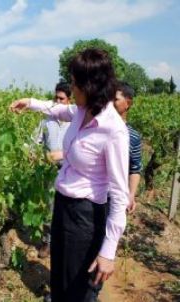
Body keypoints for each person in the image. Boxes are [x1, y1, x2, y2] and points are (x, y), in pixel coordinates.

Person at [10, 48, 129, 302]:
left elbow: (119, 195)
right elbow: (57, 110)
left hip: (85, 218)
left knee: (78, 289)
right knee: (59, 281)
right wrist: (29, 103)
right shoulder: (80, 111)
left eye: (75, 83)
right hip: (63, 209)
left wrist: (108, 252)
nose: (71, 88)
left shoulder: (113, 130)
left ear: (91, 85)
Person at [30, 82, 72, 258]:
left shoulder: (75, 122)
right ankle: (48, 241)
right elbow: (34, 140)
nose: (57, 100)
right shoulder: (46, 120)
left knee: (69, 208)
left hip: (70, 170)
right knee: (49, 207)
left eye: (61, 98)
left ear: (69, 101)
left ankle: (65, 242)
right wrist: (31, 153)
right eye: (55, 97)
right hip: (49, 170)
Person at [114, 82, 142, 213]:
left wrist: (131, 195)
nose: (110, 103)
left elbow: (135, 169)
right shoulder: (97, 128)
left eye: (115, 99)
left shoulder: (133, 136)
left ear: (128, 103)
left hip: (116, 198)